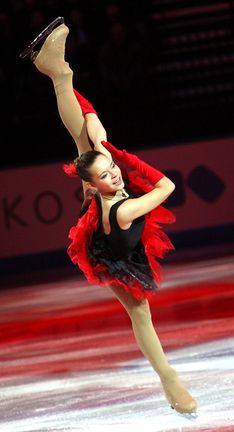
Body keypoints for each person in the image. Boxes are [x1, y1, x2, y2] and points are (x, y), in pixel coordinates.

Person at [20, 17, 197, 415]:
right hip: (115, 248)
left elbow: (90, 117)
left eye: (109, 170)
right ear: (97, 186)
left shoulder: (104, 176)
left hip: (106, 219)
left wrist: (105, 149)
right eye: (106, 174)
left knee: (88, 134)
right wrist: (125, 160)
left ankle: (57, 72)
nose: (113, 172)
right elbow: (166, 187)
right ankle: (169, 379)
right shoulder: (125, 207)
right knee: (140, 313)